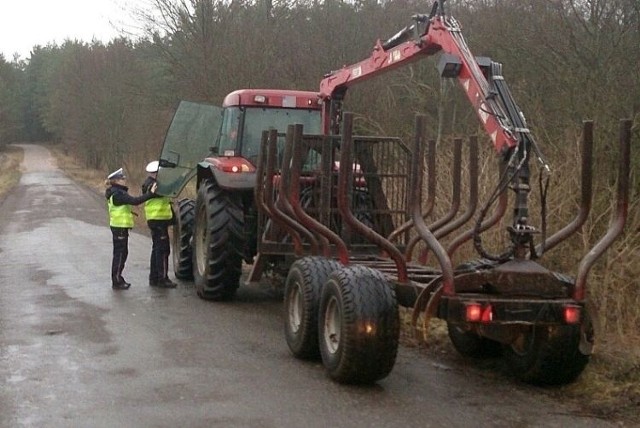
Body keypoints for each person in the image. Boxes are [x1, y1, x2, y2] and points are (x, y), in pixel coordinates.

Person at [105, 168, 156, 290]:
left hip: (119, 227)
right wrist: (151, 194)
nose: (124, 180)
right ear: (116, 180)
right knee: (120, 254)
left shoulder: (116, 192)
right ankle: (116, 280)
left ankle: (118, 278)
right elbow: (135, 201)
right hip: (119, 227)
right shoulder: (117, 194)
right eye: (122, 178)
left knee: (122, 253)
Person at [142, 161, 177, 288]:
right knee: (163, 250)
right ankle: (162, 279)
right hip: (159, 220)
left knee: (156, 248)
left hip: (155, 219)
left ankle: (154, 277)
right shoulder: (155, 185)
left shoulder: (148, 183)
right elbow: (172, 187)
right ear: (156, 173)